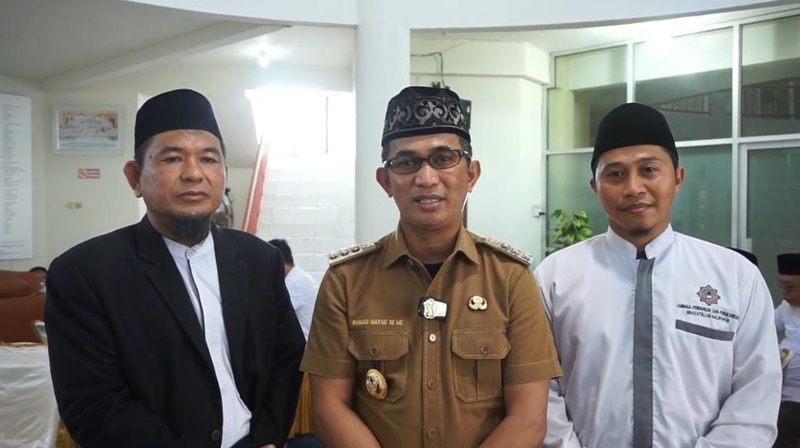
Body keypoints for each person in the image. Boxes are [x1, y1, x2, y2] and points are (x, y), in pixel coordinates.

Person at [300, 86, 562, 448]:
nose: (426, 178)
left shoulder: (510, 279)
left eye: (443, 158)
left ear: (471, 174)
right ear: (385, 181)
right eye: (406, 162)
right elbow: (330, 407)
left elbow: (528, 419)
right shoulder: (346, 281)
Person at [45, 89, 305, 448]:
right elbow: (94, 404)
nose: (194, 173)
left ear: (224, 172)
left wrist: (267, 438)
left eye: (209, 159)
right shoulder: (85, 274)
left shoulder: (260, 260)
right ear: (135, 177)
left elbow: (287, 357)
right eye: (172, 158)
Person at [535, 102, 782, 448]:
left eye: (649, 170)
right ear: (595, 185)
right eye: (615, 174)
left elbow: (756, 394)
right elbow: (539, 390)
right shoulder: (555, 276)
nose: (633, 188)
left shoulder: (735, 276)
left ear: (677, 178)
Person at [268, 238, 318, 340]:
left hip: (303, 344)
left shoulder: (293, 283)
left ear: (279, 261)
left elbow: (273, 315)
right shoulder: (300, 276)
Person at [774, 253, 800, 448]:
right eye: (781, 286)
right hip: (777, 391)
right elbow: (762, 328)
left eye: (789, 287)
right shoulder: (786, 308)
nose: (785, 294)